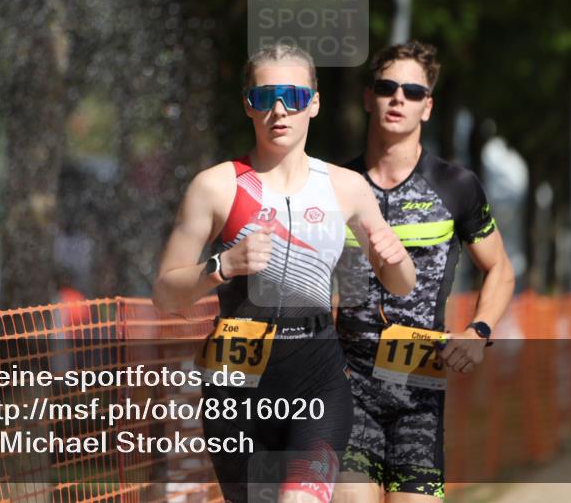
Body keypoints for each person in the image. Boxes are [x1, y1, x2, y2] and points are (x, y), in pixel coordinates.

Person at [153, 44, 417, 503]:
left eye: (293, 97)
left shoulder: (346, 187)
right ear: (247, 104)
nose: (279, 110)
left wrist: (395, 259)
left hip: (316, 377)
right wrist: (222, 266)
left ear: (314, 103)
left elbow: (402, 284)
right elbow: (165, 293)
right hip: (234, 381)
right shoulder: (216, 186)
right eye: (265, 97)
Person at [332, 41, 515, 502]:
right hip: (349, 385)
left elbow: (500, 270)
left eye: (412, 91)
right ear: (367, 97)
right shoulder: (334, 186)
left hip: (419, 393)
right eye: (387, 87)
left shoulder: (457, 186)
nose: (398, 99)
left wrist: (478, 332)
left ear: (427, 107)